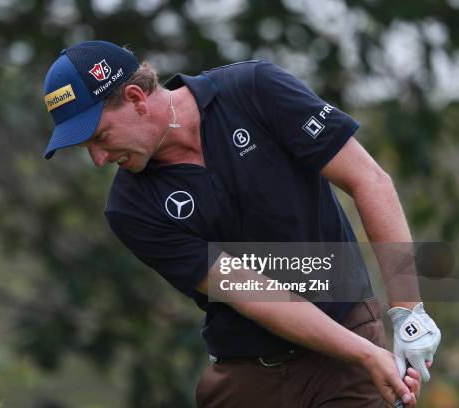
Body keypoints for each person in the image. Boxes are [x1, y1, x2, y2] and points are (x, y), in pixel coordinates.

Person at [41, 40, 441, 407]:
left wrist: (408, 313)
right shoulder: (130, 207)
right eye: (86, 148)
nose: (98, 159)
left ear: (135, 98)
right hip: (247, 379)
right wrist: (367, 353)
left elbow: (368, 180)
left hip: (347, 351)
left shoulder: (254, 90)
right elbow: (251, 289)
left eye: (100, 136)